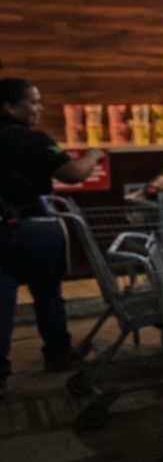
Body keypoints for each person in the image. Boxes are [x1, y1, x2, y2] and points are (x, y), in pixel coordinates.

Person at [0, 78, 104, 392]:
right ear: (10, 106)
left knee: (2, 298)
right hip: (35, 227)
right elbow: (73, 174)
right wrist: (92, 155)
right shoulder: (34, 141)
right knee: (47, 294)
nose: (40, 109)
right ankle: (58, 353)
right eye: (33, 102)